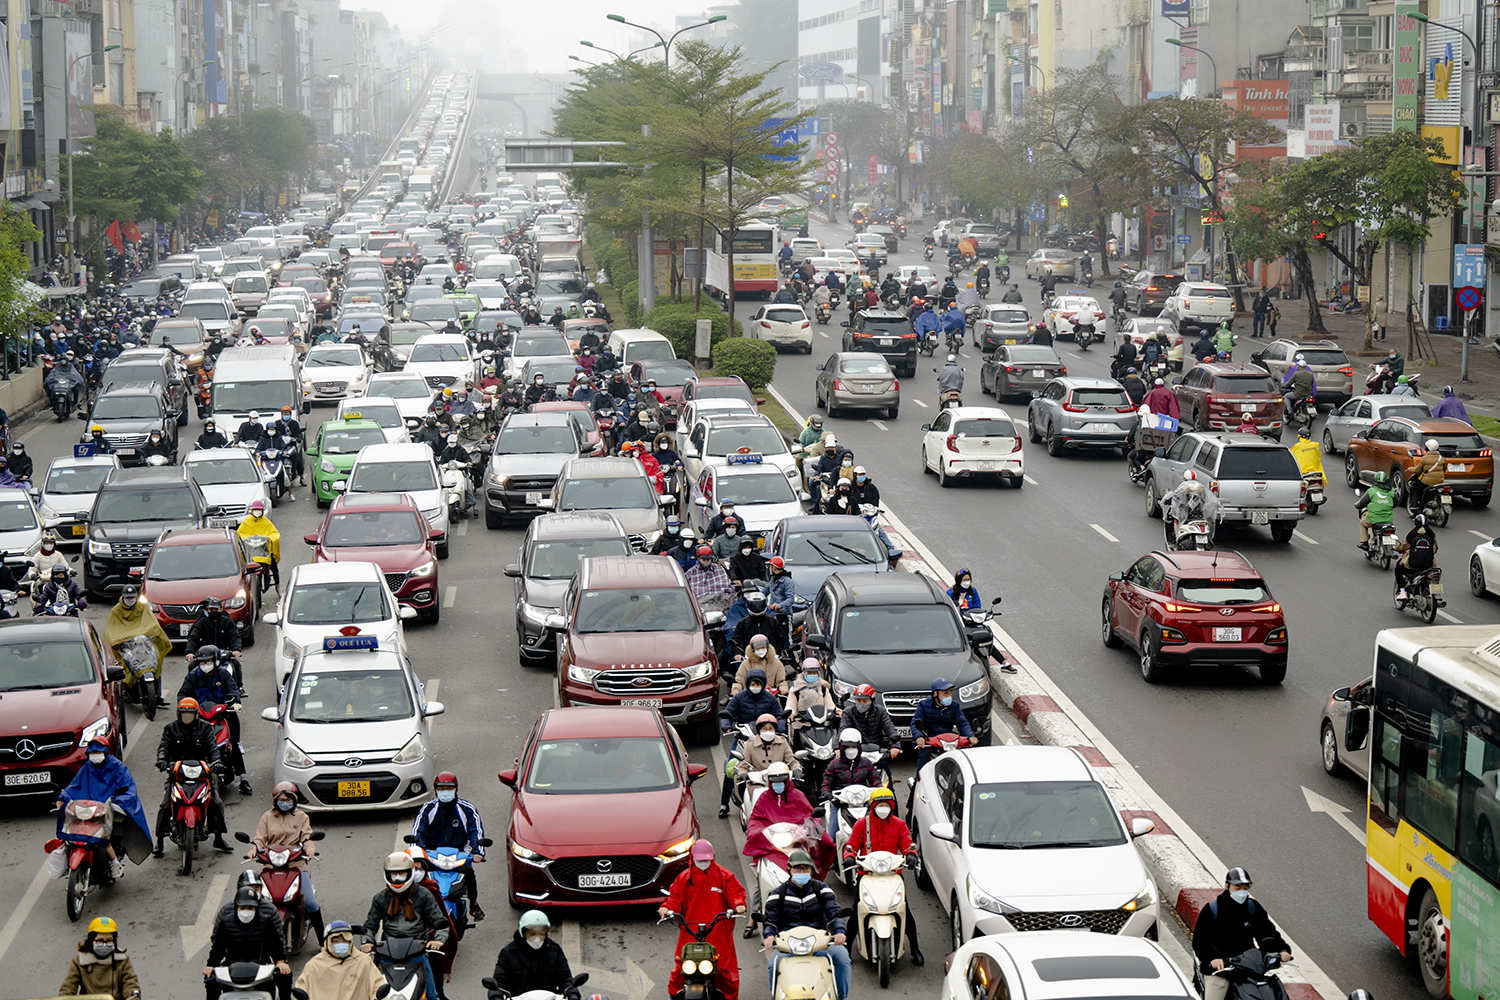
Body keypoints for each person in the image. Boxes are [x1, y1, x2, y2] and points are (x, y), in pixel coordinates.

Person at [839, 786, 924, 965]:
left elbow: (907, 843)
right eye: (880, 804)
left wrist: (910, 854)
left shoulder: (899, 824)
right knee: (856, 911)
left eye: (887, 805)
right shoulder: (862, 824)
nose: (883, 808)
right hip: (866, 873)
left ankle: (914, 948)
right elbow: (852, 844)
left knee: (904, 911)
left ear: (892, 806)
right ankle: (847, 949)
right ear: (873, 806)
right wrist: (849, 857)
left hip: (893, 874)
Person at [660, 840, 748, 1000]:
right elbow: (675, 898)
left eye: (707, 860)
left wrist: (739, 904)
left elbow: (735, 893)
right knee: (682, 966)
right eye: (700, 861)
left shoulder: (724, 876)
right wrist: (666, 908)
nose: (704, 863)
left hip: (718, 931)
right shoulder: (683, 878)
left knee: (723, 968)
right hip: (690, 931)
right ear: (692, 858)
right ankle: (674, 996)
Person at [57, 736, 153, 880]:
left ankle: (115, 863)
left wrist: (117, 802)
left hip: (107, 810)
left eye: (98, 752)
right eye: (92, 753)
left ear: (106, 751)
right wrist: (62, 797)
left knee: (103, 837)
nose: (95, 756)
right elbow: (74, 786)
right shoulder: (87, 767)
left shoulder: (117, 767)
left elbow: (128, 789)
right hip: (88, 810)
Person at [761, 849, 850, 1000]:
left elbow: (834, 911)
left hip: (820, 944)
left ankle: (841, 996)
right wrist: (769, 935)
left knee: (842, 957)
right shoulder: (777, 894)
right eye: (797, 868)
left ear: (811, 869)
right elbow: (770, 920)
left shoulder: (822, 889)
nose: (802, 871)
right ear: (789, 868)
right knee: (773, 964)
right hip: (788, 946)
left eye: (805, 868)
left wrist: (840, 931)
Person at [359, 853, 450, 1000]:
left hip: (417, 951)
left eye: (401, 873)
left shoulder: (423, 895)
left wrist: (438, 940)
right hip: (387, 952)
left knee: (432, 996)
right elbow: (370, 925)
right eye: (394, 873)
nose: (397, 878)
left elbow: (440, 922)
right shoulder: (380, 898)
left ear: (410, 872)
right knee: (371, 993)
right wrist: (367, 942)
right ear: (387, 874)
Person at [1191, 868, 1291, 1000]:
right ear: (1227, 886)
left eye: (1245, 887)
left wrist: (1281, 950)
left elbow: (1267, 932)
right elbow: (1200, 940)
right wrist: (1213, 958)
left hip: (1248, 966)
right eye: (1237, 887)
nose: (1242, 891)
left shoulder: (1253, 907)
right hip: (1221, 969)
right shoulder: (1212, 910)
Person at [250, 781, 324, 945]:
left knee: (310, 903)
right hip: (271, 865)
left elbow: (307, 837)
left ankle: (323, 941)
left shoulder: (302, 817)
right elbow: (259, 838)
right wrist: (254, 849)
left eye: (288, 799)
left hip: (296, 864)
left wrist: (310, 848)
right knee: (260, 902)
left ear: (294, 800)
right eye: (281, 799)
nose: (285, 803)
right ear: (275, 800)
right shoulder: (267, 817)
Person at [409, 771, 487, 921]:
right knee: (417, 877)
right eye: (441, 788)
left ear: (456, 789)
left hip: (458, 857)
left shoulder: (467, 809)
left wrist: (478, 852)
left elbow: (475, 831)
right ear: (435, 789)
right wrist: (416, 853)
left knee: (469, 873)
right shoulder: (427, 808)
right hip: (432, 857)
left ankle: (474, 905)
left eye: (449, 788)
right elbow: (418, 830)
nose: (445, 791)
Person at [179, 645, 251, 794]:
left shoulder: (223, 675)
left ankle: (243, 778)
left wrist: (235, 702)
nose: (205, 665)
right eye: (202, 662)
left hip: (221, 715)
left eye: (209, 661)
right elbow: (183, 694)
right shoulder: (192, 677)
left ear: (215, 661)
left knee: (233, 744)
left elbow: (232, 690)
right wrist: (185, 706)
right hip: (198, 717)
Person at [205, 886, 292, 1000]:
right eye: (243, 907)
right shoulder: (226, 923)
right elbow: (218, 948)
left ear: (256, 908)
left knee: (285, 974)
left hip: (261, 972)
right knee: (209, 979)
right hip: (232, 972)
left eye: (250, 908)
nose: (246, 911)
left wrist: (280, 961)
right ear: (236, 907)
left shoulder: (265, 922)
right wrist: (211, 965)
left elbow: (275, 946)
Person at [103, 583, 171, 708]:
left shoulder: (143, 608)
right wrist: (123, 640)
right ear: (123, 597)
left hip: (143, 644)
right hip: (126, 647)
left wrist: (152, 635)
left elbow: (152, 624)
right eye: (127, 598)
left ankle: (157, 694)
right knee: (123, 665)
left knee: (155, 663)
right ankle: (125, 690)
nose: (130, 600)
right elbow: (111, 632)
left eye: (132, 597)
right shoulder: (116, 611)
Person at [722, 710, 799, 819]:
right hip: (757, 784)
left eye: (770, 728)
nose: (768, 731)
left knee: (795, 802)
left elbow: (792, 761)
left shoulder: (782, 742)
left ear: (775, 729)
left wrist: (797, 769)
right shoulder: (750, 745)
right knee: (756, 809)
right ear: (758, 730)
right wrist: (743, 773)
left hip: (779, 782)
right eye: (764, 728)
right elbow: (743, 765)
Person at [490, 911, 580, 1000]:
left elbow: (564, 978)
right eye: (532, 934)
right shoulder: (508, 953)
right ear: (523, 932)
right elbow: (499, 981)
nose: (537, 939)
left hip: (550, 998)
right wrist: (496, 995)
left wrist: (571, 993)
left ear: (546, 933)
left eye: (541, 934)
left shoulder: (555, 950)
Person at [295, 919, 384, 1000]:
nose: (341, 944)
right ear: (327, 942)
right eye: (336, 941)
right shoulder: (314, 965)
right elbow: (302, 989)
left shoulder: (364, 962)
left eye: (345, 940)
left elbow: (377, 985)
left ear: (351, 941)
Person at [58, 916, 141, 1000]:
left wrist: (133, 997)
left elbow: (130, 983)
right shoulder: (79, 962)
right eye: (100, 940)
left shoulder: (122, 960)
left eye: (109, 940)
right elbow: (69, 986)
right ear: (91, 941)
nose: (104, 944)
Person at [820, 727, 883, 834]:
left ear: (859, 747)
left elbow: (875, 780)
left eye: (854, 746)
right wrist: (826, 793)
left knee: (879, 830)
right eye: (847, 747)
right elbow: (826, 783)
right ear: (841, 747)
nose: (851, 749)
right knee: (832, 836)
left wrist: (880, 792)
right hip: (840, 804)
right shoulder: (834, 764)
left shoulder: (866, 762)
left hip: (863, 803)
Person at [909, 678, 974, 770]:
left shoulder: (954, 706)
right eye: (945, 693)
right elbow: (915, 722)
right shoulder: (923, 705)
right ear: (935, 694)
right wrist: (919, 737)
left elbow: (962, 722)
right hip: (930, 742)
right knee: (923, 767)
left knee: (963, 764)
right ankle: (917, 782)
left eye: (950, 693)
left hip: (949, 741)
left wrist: (970, 735)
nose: (949, 696)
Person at [1161, 472, 1216, 548]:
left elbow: (1176, 498)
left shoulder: (1183, 487)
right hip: (1200, 516)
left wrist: (1167, 500)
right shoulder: (1201, 488)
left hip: (1186, 517)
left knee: (1175, 519)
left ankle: (1176, 539)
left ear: (1185, 478)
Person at [237, 499, 282, 593]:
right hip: (251, 553)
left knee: (274, 566)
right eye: (255, 509)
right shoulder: (246, 522)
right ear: (251, 510)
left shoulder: (266, 522)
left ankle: (278, 586)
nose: (257, 511)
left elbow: (275, 534)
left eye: (259, 509)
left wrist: (271, 539)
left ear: (262, 510)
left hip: (264, 551)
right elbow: (239, 534)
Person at [786, 658, 838, 737]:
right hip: (802, 727)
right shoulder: (795, 689)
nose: (812, 675)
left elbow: (830, 705)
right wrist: (791, 713)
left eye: (814, 673)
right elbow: (791, 704)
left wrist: (838, 711)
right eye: (809, 673)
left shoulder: (823, 688)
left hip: (821, 727)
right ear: (804, 673)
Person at [1395, 513, 1439, 603]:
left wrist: (1396, 548)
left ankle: (1402, 592)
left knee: (1398, 569)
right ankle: (1433, 594)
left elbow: (1404, 546)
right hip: (1429, 566)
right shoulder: (1431, 534)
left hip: (1412, 566)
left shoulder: (1412, 534)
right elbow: (1435, 549)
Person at [686, 546, 734, 615]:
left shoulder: (718, 568)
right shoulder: (690, 573)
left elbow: (727, 587)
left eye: (708, 559)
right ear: (698, 558)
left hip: (720, 603)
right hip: (701, 606)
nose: (706, 561)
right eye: (704, 559)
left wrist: (720, 605)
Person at [1356, 471, 1397, 551]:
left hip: (1373, 519)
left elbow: (1361, 503)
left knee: (1362, 523)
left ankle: (1364, 543)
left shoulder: (1372, 491)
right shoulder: (1391, 491)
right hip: (1388, 519)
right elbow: (1396, 503)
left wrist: (1356, 505)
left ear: (1375, 480)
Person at [1409, 438, 1446, 514]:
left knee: (1416, 485)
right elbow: (1444, 469)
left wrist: (1409, 469)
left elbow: (1417, 470)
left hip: (1427, 482)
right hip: (1439, 481)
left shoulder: (1424, 458)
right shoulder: (1441, 458)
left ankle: (1418, 506)